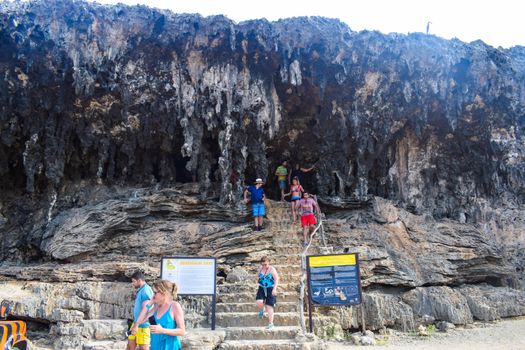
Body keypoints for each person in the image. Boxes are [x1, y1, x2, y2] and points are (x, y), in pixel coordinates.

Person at [132, 280, 185, 350]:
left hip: (170, 347)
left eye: (155, 292)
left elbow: (182, 331)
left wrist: (162, 330)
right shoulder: (156, 307)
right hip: (155, 346)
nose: (153, 295)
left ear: (163, 293)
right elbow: (141, 321)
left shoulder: (175, 306)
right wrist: (149, 303)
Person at [128, 271, 154, 350]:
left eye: (134, 281)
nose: (133, 284)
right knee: (130, 346)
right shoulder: (142, 290)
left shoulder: (145, 290)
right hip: (135, 323)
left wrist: (137, 325)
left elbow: (145, 309)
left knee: (143, 348)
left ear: (139, 280)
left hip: (143, 326)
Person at [255, 256, 279, 330]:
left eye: (265, 264)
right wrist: (258, 277)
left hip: (270, 288)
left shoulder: (272, 269)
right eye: (263, 264)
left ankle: (271, 324)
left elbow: (276, 279)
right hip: (262, 287)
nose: (264, 266)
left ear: (268, 262)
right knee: (259, 301)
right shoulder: (261, 268)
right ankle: (262, 310)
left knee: (269, 306)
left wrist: (274, 289)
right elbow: (257, 277)